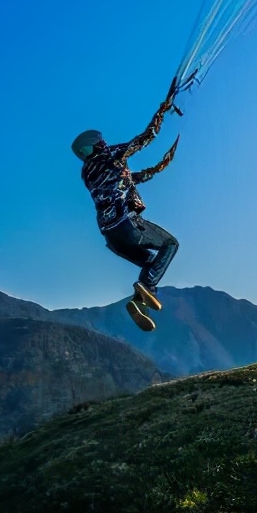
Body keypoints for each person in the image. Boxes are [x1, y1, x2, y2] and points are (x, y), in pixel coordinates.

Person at [73, 79, 181, 333]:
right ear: (96, 145)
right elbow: (145, 138)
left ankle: (139, 301)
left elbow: (125, 180)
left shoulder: (88, 173)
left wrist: (155, 169)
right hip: (127, 225)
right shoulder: (110, 155)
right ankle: (148, 287)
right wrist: (162, 110)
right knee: (170, 244)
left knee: (151, 262)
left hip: (111, 237)